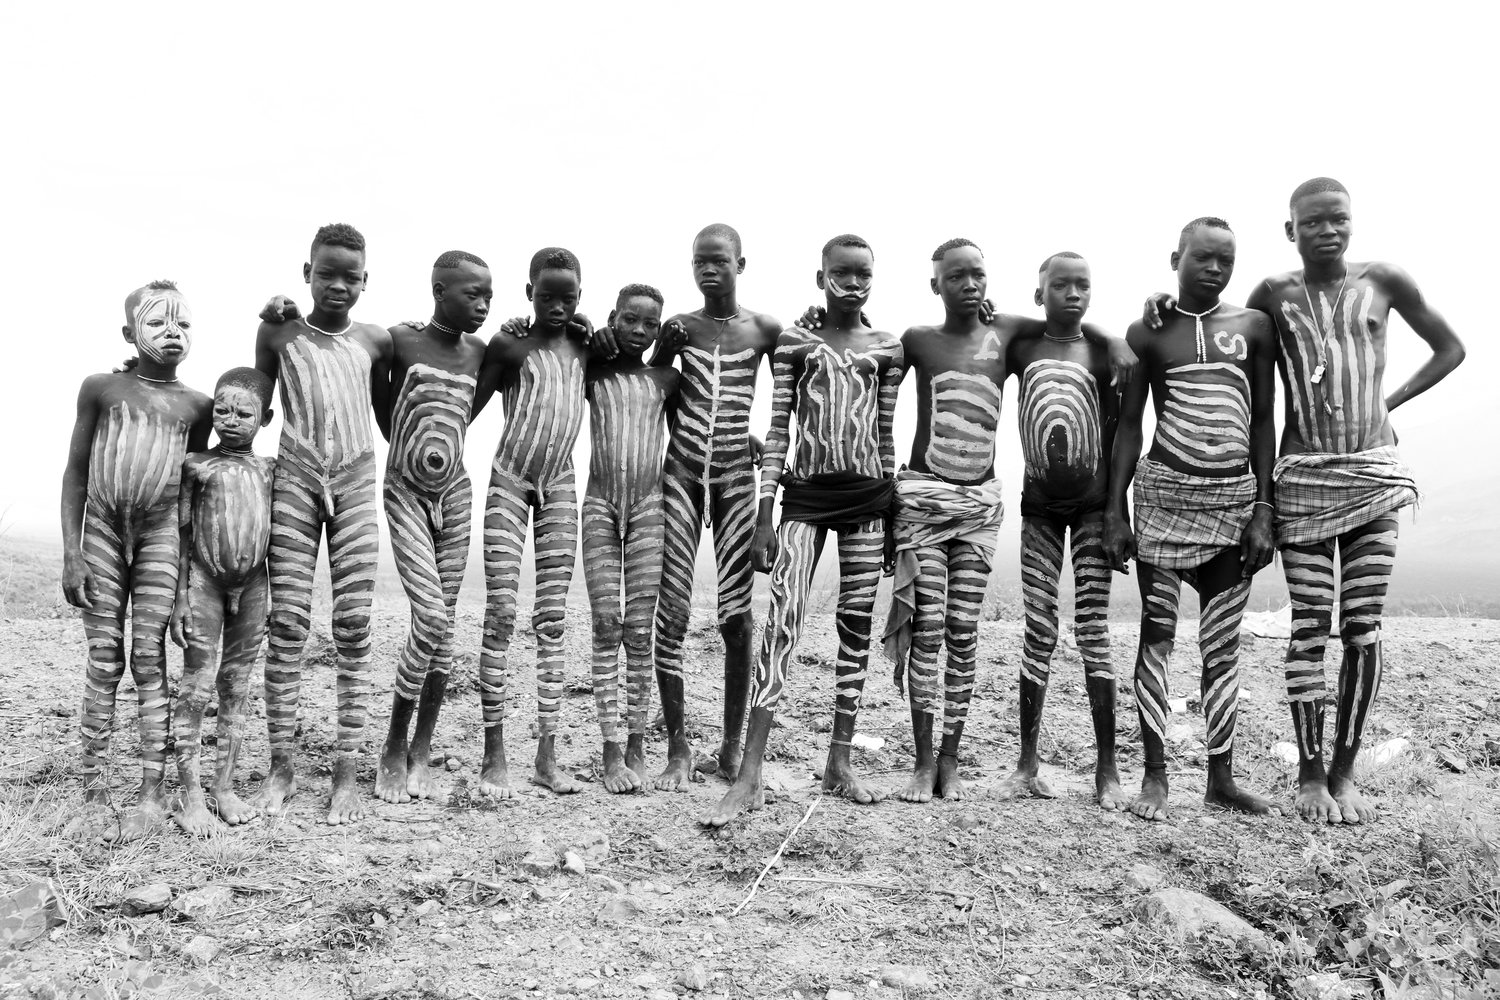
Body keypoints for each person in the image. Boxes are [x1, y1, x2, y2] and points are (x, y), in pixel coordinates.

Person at [1147, 178, 1464, 823]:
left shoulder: (1387, 282)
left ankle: (1345, 772)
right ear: (1291, 230)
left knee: (1363, 627)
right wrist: (1160, 300)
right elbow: (1214, 315)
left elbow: (1451, 348)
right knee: (1309, 626)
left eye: (1338, 219)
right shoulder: (1274, 295)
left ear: (1354, 222)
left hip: (1373, 475)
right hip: (1303, 481)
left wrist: (1388, 404)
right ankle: (1311, 775)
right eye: (1313, 222)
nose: (1328, 231)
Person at [802, 240, 1134, 804]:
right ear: (936, 284)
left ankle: (951, 763)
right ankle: (922, 763)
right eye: (955, 276)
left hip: (979, 509)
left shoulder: (1004, 335)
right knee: (928, 629)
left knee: (964, 631)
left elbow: (1065, 319)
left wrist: (1113, 337)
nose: (969, 284)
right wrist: (815, 321)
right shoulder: (917, 341)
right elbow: (864, 353)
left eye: (977, 274)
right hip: (924, 502)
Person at [705, 235, 902, 826]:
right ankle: (751, 774)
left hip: (867, 499)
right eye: (840, 274)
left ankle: (839, 764)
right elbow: (778, 428)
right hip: (804, 500)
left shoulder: (887, 348)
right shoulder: (797, 342)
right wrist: (765, 516)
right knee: (783, 621)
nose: (853, 283)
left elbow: (886, 435)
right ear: (820, 279)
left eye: (863, 273)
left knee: (855, 627)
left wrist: (892, 513)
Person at [1105, 217, 1278, 822]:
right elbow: (1130, 424)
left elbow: (1262, 421)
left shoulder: (1253, 327)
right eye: (1203, 257)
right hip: (1161, 503)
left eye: (1226, 259)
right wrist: (1115, 510)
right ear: (1175, 257)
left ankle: (1220, 779)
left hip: (1233, 507)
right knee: (1156, 641)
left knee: (1221, 649)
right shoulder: (1149, 330)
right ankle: (1154, 774)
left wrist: (1264, 510)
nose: (1215, 267)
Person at [60, 279, 212, 842]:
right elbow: (77, 471)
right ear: (129, 332)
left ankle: (152, 789)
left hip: (159, 536)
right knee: (104, 659)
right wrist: (72, 554)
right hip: (101, 528)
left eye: (184, 324)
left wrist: (182, 590)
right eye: (157, 322)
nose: (173, 332)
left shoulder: (197, 406)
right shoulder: (102, 390)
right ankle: (92, 790)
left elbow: (189, 491)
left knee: (150, 659)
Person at [253, 223, 393, 824]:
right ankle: (281, 766)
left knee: (355, 624)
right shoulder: (279, 331)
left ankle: (345, 772)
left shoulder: (377, 341)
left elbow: (394, 417)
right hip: (296, 475)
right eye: (327, 273)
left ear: (366, 281)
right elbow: (254, 411)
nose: (339, 285)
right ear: (306, 273)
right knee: (286, 621)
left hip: (358, 478)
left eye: (351, 277)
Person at [648, 224, 781, 789]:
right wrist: (663, 350)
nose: (708, 270)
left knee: (735, 617)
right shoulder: (682, 328)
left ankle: (729, 749)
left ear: (740, 264)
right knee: (672, 611)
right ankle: (678, 748)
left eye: (719, 261)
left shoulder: (765, 329)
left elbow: (798, 382)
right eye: (699, 261)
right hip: (679, 475)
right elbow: (655, 386)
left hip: (733, 478)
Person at [995, 251, 1124, 808]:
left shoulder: (1103, 353)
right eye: (1061, 286)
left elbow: (1119, 434)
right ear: (1039, 293)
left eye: (1083, 286)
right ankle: (1027, 763)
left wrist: (1119, 512)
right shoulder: (1023, 345)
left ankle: (1107, 769)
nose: (1073, 295)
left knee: (1093, 631)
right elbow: (987, 327)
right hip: (1039, 510)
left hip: (1095, 510)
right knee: (1038, 628)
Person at [471, 247, 592, 797]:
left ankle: (547, 756)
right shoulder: (509, 344)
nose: (558, 306)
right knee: (500, 611)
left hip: (561, 483)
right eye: (547, 297)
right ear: (529, 294)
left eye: (569, 298)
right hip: (509, 478)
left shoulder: (588, 346)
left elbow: (641, 353)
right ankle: (493, 754)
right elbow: (464, 405)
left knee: (552, 617)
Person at [375, 251, 490, 803]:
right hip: (404, 492)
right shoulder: (399, 340)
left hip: (457, 495)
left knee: (444, 634)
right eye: (473, 295)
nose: (485, 305)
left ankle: (422, 747)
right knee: (431, 616)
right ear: (439, 290)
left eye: (490, 296)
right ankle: (392, 745)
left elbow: (470, 412)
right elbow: (381, 403)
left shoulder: (481, 353)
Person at [169, 367, 277, 835]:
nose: (230, 420)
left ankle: (224, 785)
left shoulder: (271, 470)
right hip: (204, 582)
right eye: (222, 410)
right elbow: (181, 532)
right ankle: (189, 791)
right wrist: (179, 597)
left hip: (253, 586)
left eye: (244, 413)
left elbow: (276, 536)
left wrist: (271, 594)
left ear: (265, 418)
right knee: (196, 686)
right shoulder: (196, 465)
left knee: (236, 686)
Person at [582, 284, 680, 792]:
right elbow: (561, 337)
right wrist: (584, 329)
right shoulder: (591, 369)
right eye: (629, 320)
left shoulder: (666, 379)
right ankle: (610, 750)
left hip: (649, 507)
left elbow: (697, 427)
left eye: (650, 324)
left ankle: (639, 741)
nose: (639, 331)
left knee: (640, 631)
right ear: (613, 318)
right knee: (605, 624)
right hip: (599, 504)